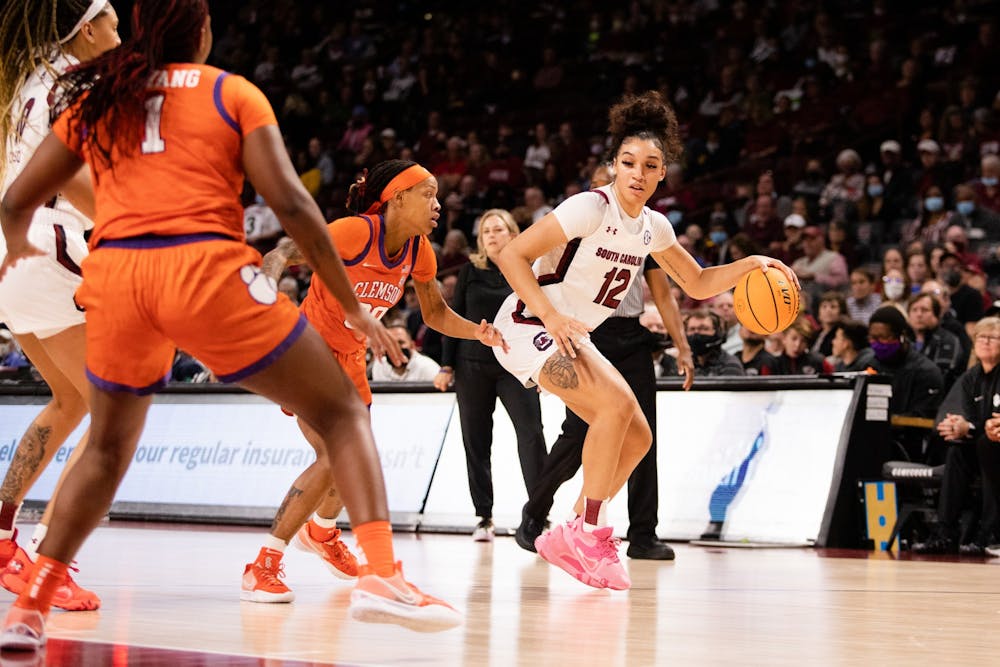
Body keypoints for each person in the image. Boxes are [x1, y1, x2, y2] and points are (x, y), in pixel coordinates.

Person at [0, 2, 458, 650]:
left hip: (120, 280)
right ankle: (382, 574)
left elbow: (17, 198)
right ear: (204, 34)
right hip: (203, 270)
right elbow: (294, 205)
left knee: (104, 445)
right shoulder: (228, 90)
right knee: (343, 412)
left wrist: (18, 246)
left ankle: (28, 608)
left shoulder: (99, 99)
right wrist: (352, 306)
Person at [493, 90, 798, 590]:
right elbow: (512, 256)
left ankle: (570, 530)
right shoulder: (591, 207)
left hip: (573, 333)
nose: (638, 172)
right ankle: (591, 532)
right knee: (613, 408)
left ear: (662, 174)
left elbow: (697, 284)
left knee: (637, 436)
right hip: (531, 325)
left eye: (650, 165)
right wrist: (550, 316)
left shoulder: (654, 226)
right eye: (629, 162)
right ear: (614, 165)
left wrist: (751, 266)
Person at [257, 159, 507, 596]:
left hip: (351, 361)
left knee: (356, 461)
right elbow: (281, 251)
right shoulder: (356, 232)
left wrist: (477, 332)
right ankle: (264, 563)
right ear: (397, 197)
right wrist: (263, 287)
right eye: (427, 194)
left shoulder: (419, 250)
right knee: (335, 455)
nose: (438, 204)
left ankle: (321, 531)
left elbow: (434, 314)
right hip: (307, 352)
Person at [0, 0, 122, 613]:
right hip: (55, 252)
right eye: (113, 23)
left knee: (70, 399)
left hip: (18, 256)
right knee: (110, 416)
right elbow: (78, 180)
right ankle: (52, 565)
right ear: (86, 29)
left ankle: (0, 538)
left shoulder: (29, 80)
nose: (120, 35)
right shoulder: (67, 89)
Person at [433, 209, 547, 542]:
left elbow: (541, 316)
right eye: (486, 232)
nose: (492, 236)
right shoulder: (471, 271)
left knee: (531, 435)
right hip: (473, 366)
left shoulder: (528, 270)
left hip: (517, 365)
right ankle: (484, 516)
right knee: (477, 441)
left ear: (514, 233)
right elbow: (453, 320)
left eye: (499, 229)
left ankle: (539, 513)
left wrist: (544, 367)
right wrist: (446, 365)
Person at [912, 317, 1000, 555]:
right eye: (981, 336)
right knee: (957, 450)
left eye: (992, 337)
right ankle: (945, 531)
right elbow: (972, 419)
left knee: (986, 444)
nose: (985, 342)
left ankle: (991, 533)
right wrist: (959, 426)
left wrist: (972, 428)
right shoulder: (972, 377)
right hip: (984, 443)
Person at [868, 306, 945, 462]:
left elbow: (924, 418)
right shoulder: (868, 366)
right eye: (872, 338)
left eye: (883, 337)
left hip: (910, 447)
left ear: (901, 336)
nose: (877, 343)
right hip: (872, 440)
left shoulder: (926, 372)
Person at [371, 324, 441, 382]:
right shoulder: (379, 365)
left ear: (412, 346)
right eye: (389, 343)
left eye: (401, 342)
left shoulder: (429, 368)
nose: (396, 348)